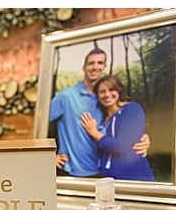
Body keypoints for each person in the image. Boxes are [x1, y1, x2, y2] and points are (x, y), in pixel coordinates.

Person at [49, 48, 149, 176]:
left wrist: (142, 139)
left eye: (100, 63)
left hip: (102, 171)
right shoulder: (66, 96)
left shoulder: (106, 100)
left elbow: (120, 132)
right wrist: (49, 155)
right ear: (84, 67)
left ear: (104, 66)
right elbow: (41, 125)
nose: (95, 67)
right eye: (91, 63)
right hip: (73, 171)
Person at [79, 76, 155, 181]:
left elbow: (120, 147)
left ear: (119, 90)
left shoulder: (131, 109)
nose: (107, 94)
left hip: (134, 179)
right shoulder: (102, 119)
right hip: (110, 181)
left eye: (111, 90)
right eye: (102, 92)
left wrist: (94, 133)